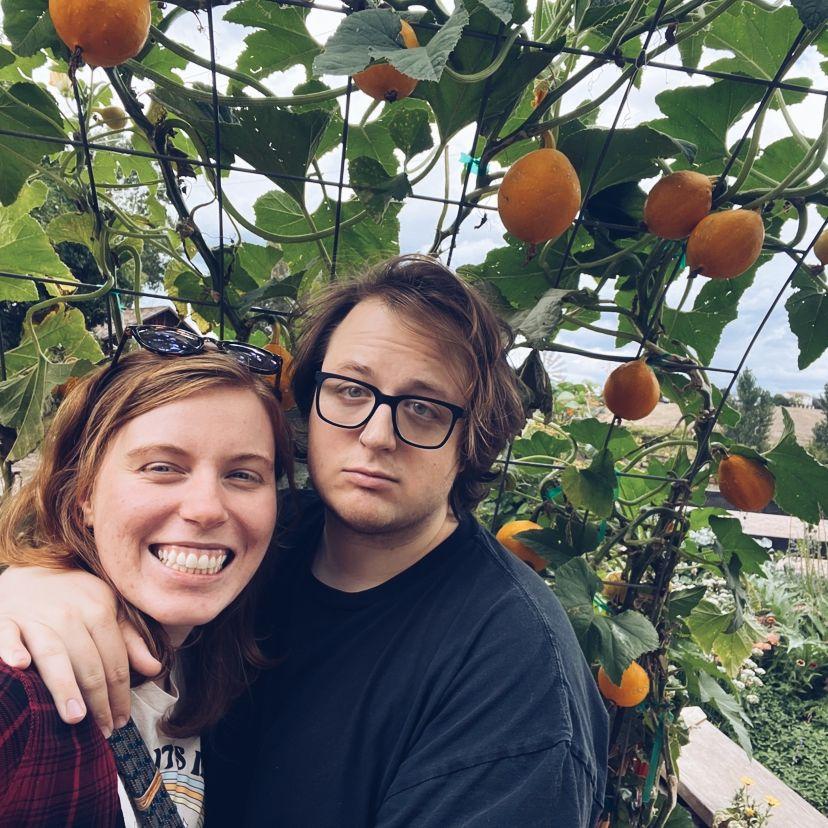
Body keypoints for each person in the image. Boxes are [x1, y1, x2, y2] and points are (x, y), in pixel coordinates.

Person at [0, 255, 609, 826]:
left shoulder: (514, 678)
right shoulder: (260, 541)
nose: (376, 434)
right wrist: (33, 586)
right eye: (351, 390)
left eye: (424, 408)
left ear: (471, 440)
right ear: (310, 399)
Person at [0, 337, 292, 827]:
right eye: (162, 467)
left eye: (243, 475)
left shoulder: (219, 663)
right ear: (83, 496)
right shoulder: (19, 696)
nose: (206, 508)